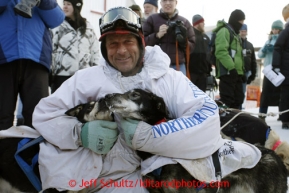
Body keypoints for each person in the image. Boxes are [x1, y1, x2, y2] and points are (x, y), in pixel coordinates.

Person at [31, 6, 260, 192]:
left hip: (150, 178)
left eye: (128, 42)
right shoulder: (86, 79)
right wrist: (79, 133)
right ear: (103, 49)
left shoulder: (167, 78)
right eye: (113, 44)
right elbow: (44, 115)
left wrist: (151, 137)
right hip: (90, 175)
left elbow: (207, 119)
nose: (121, 51)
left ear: (141, 43)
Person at [0, 0, 64, 130]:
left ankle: (33, 150)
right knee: (2, 116)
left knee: (37, 118)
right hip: (3, 58)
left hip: (36, 59)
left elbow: (57, 19)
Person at [50, 0, 100, 93]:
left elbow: (95, 51)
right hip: (62, 76)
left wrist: (95, 72)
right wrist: (51, 72)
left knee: (82, 106)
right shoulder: (59, 25)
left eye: (68, 4)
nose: (65, 7)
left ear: (77, 7)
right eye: (64, 4)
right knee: (61, 106)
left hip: (84, 76)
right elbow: (52, 49)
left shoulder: (88, 27)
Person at [143, 0, 195, 76]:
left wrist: (183, 41)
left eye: (171, 0)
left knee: (179, 88)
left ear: (176, 2)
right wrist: (156, 35)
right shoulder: (152, 19)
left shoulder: (184, 22)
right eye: (164, 0)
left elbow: (191, 48)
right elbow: (141, 42)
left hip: (178, 66)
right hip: (156, 65)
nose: (167, 3)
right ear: (160, 3)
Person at [214, 9, 246, 109]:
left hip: (236, 74)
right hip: (228, 73)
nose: (241, 24)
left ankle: (235, 123)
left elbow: (238, 56)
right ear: (235, 20)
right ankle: (225, 122)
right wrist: (231, 68)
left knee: (238, 99)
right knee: (227, 100)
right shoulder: (224, 31)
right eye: (240, 22)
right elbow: (220, 51)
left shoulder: (235, 34)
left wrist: (242, 72)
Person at [258, 20, 283, 122]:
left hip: (278, 70)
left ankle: (282, 115)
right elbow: (260, 55)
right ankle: (262, 115)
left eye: (277, 29)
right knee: (265, 94)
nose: (274, 31)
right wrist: (264, 49)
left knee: (281, 94)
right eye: (273, 29)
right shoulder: (268, 41)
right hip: (268, 71)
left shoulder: (283, 40)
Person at [272, 5, 289, 129]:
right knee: (286, 95)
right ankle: (285, 119)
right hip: (286, 69)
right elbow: (277, 47)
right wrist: (276, 66)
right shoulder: (286, 30)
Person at [189, 14, 212, 92]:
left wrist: (209, 70)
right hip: (192, 73)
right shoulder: (190, 36)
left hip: (203, 74)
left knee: (202, 97)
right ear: (197, 23)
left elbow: (209, 55)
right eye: (202, 22)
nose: (204, 24)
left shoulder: (206, 38)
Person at [239, 24, 257, 108]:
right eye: (241, 31)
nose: (243, 33)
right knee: (237, 94)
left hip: (246, 73)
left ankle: (240, 109)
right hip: (238, 72)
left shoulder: (250, 45)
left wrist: (253, 75)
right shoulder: (236, 43)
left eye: (244, 31)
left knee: (242, 93)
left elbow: (253, 60)